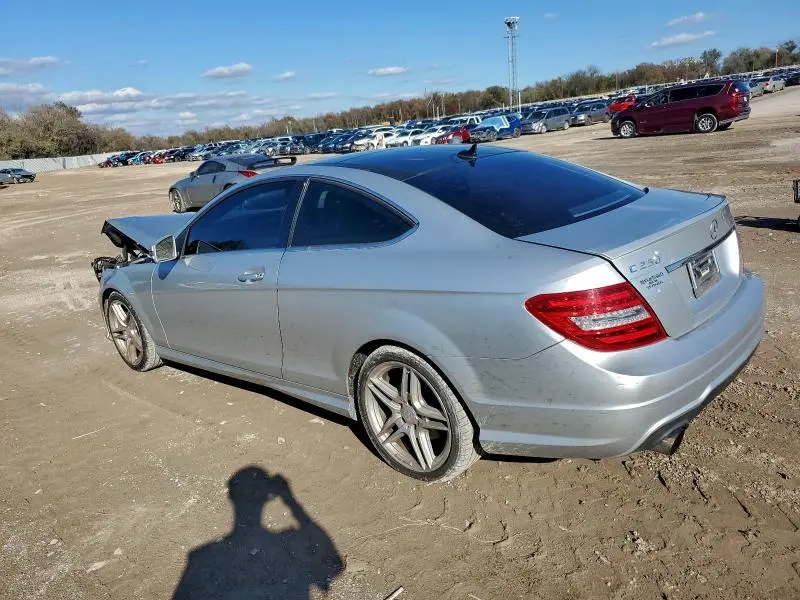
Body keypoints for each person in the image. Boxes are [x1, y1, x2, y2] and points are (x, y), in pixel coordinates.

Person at [172, 466, 342, 600]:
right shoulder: (292, 548)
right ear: (268, 497)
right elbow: (333, 564)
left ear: (231, 496)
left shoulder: (203, 558)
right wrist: (290, 500)